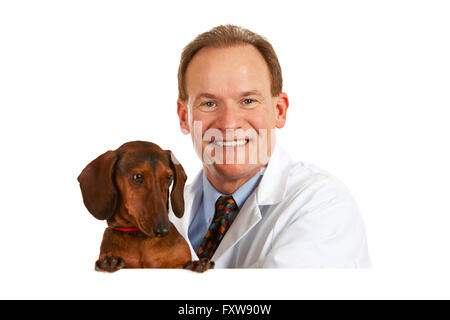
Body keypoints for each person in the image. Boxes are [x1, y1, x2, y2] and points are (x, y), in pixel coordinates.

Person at [171, 24, 370, 268]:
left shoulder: (324, 206)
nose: (229, 123)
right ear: (184, 117)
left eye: (248, 101)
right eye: (209, 103)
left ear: (279, 111)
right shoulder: (166, 210)